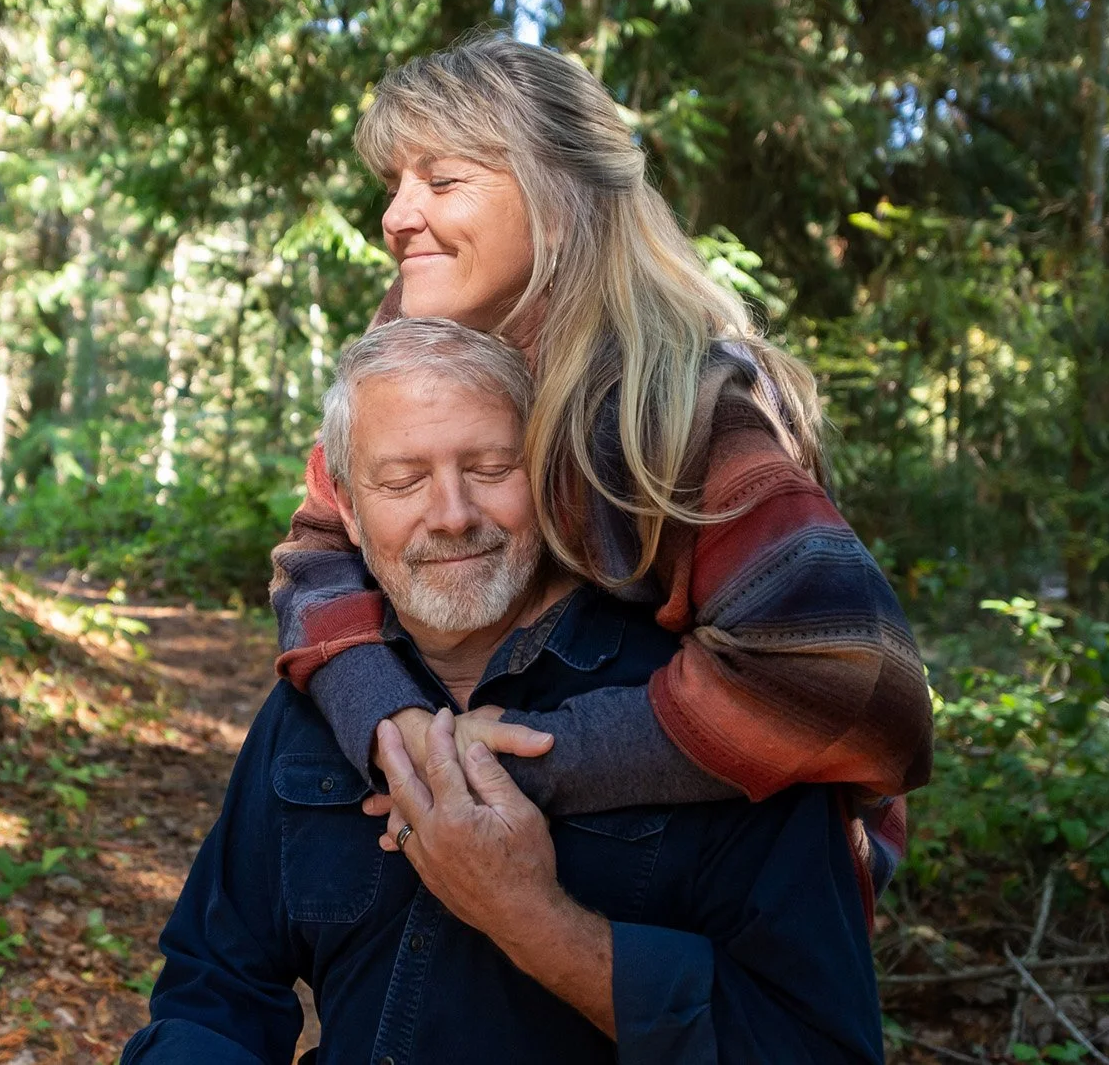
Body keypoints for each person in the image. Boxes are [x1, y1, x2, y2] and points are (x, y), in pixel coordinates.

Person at [269, 34, 931, 903]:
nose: (394, 215)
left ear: (559, 196)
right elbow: (320, 548)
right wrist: (393, 723)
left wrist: (535, 754)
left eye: (441, 180)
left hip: (752, 890)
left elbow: (854, 681)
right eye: (394, 184)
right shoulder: (429, 332)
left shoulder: (679, 407)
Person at [123, 320, 885, 1065]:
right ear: (348, 511)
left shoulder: (706, 714)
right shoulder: (314, 711)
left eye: (490, 468)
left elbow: (817, 1041)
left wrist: (538, 924)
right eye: (403, 480)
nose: (453, 515)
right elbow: (213, 989)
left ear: (556, 483)